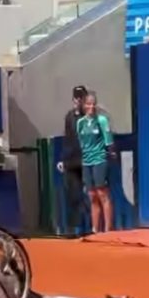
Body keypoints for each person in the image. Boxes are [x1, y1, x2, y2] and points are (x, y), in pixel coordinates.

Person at [77, 91, 115, 234]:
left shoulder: (102, 120)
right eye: (88, 104)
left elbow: (109, 141)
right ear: (84, 105)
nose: (91, 107)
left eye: (93, 104)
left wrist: (111, 153)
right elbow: (81, 143)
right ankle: (95, 229)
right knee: (92, 195)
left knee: (102, 193)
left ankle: (108, 230)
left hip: (100, 159)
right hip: (86, 161)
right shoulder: (80, 123)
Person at [58, 85, 88, 236]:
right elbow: (67, 139)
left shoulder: (90, 116)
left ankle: (88, 228)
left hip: (87, 161)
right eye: (76, 97)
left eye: (81, 97)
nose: (78, 100)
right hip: (71, 162)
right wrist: (63, 159)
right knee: (73, 196)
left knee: (90, 195)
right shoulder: (69, 117)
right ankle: (73, 229)